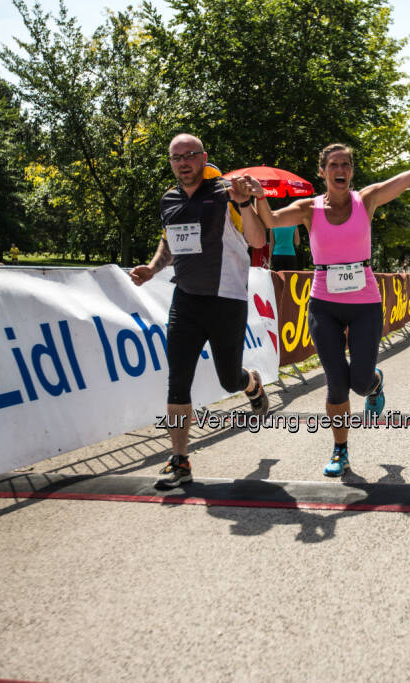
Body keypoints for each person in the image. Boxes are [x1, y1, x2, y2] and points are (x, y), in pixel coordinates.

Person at [250, 113, 410, 476]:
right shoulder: (308, 209)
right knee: (335, 382)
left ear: (351, 171)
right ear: (324, 172)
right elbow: (267, 221)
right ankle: (340, 451)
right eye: (334, 165)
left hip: (364, 303)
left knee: (359, 382)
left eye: (346, 164)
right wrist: (255, 198)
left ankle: (375, 382)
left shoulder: (368, 200)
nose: (340, 169)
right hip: (324, 304)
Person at [130, 133, 270, 488]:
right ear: (171, 163)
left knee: (228, 379)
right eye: (176, 157)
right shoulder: (169, 199)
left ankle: (250, 382)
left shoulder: (227, 192)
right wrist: (152, 268)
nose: (183, 162)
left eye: (190, 155)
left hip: (227, 300)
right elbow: (170, 241)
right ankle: (179, 460)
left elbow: (257, 241)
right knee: (178, 382)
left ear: (203, 157)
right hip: (186, 300)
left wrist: (244, 204)